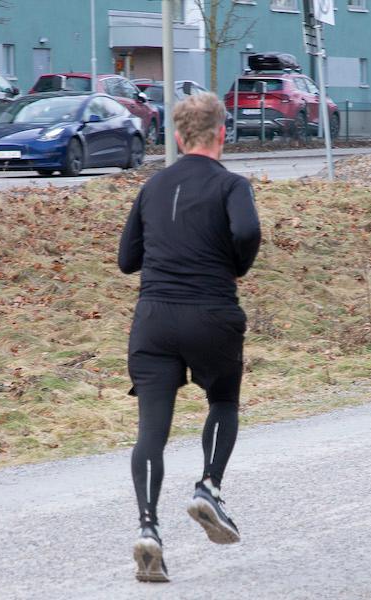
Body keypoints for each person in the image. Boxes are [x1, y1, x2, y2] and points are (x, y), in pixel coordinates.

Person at [118, 92, 261, 583]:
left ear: (177, 138)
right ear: (223, 133)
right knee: (223, 400)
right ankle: (208, 489)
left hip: (153, 319)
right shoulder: (232, 186)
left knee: (151, 431)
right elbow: (247, 232)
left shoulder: (152, 187)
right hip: (211, 315)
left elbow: (126, 260)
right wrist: (234, 264)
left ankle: (147, 530)